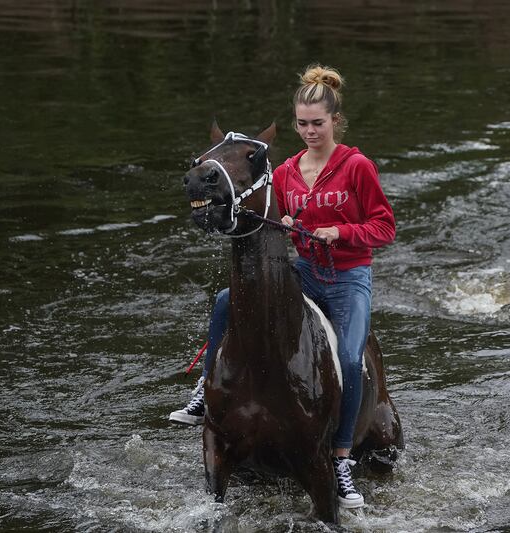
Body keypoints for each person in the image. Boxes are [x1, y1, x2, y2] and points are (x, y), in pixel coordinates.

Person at [169, 64, 396, 509]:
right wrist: (288, 225)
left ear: (335, 122)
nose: (310, 131)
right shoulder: (288, 170)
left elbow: (384, 227)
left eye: (318, 123)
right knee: (223, 301)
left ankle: (343, 458)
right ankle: (204, 391)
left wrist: (341, 232)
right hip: (305, 273)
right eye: (303, 123)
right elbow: (270, 215)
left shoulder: (356, 166)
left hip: (348, 280)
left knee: (351, 357)